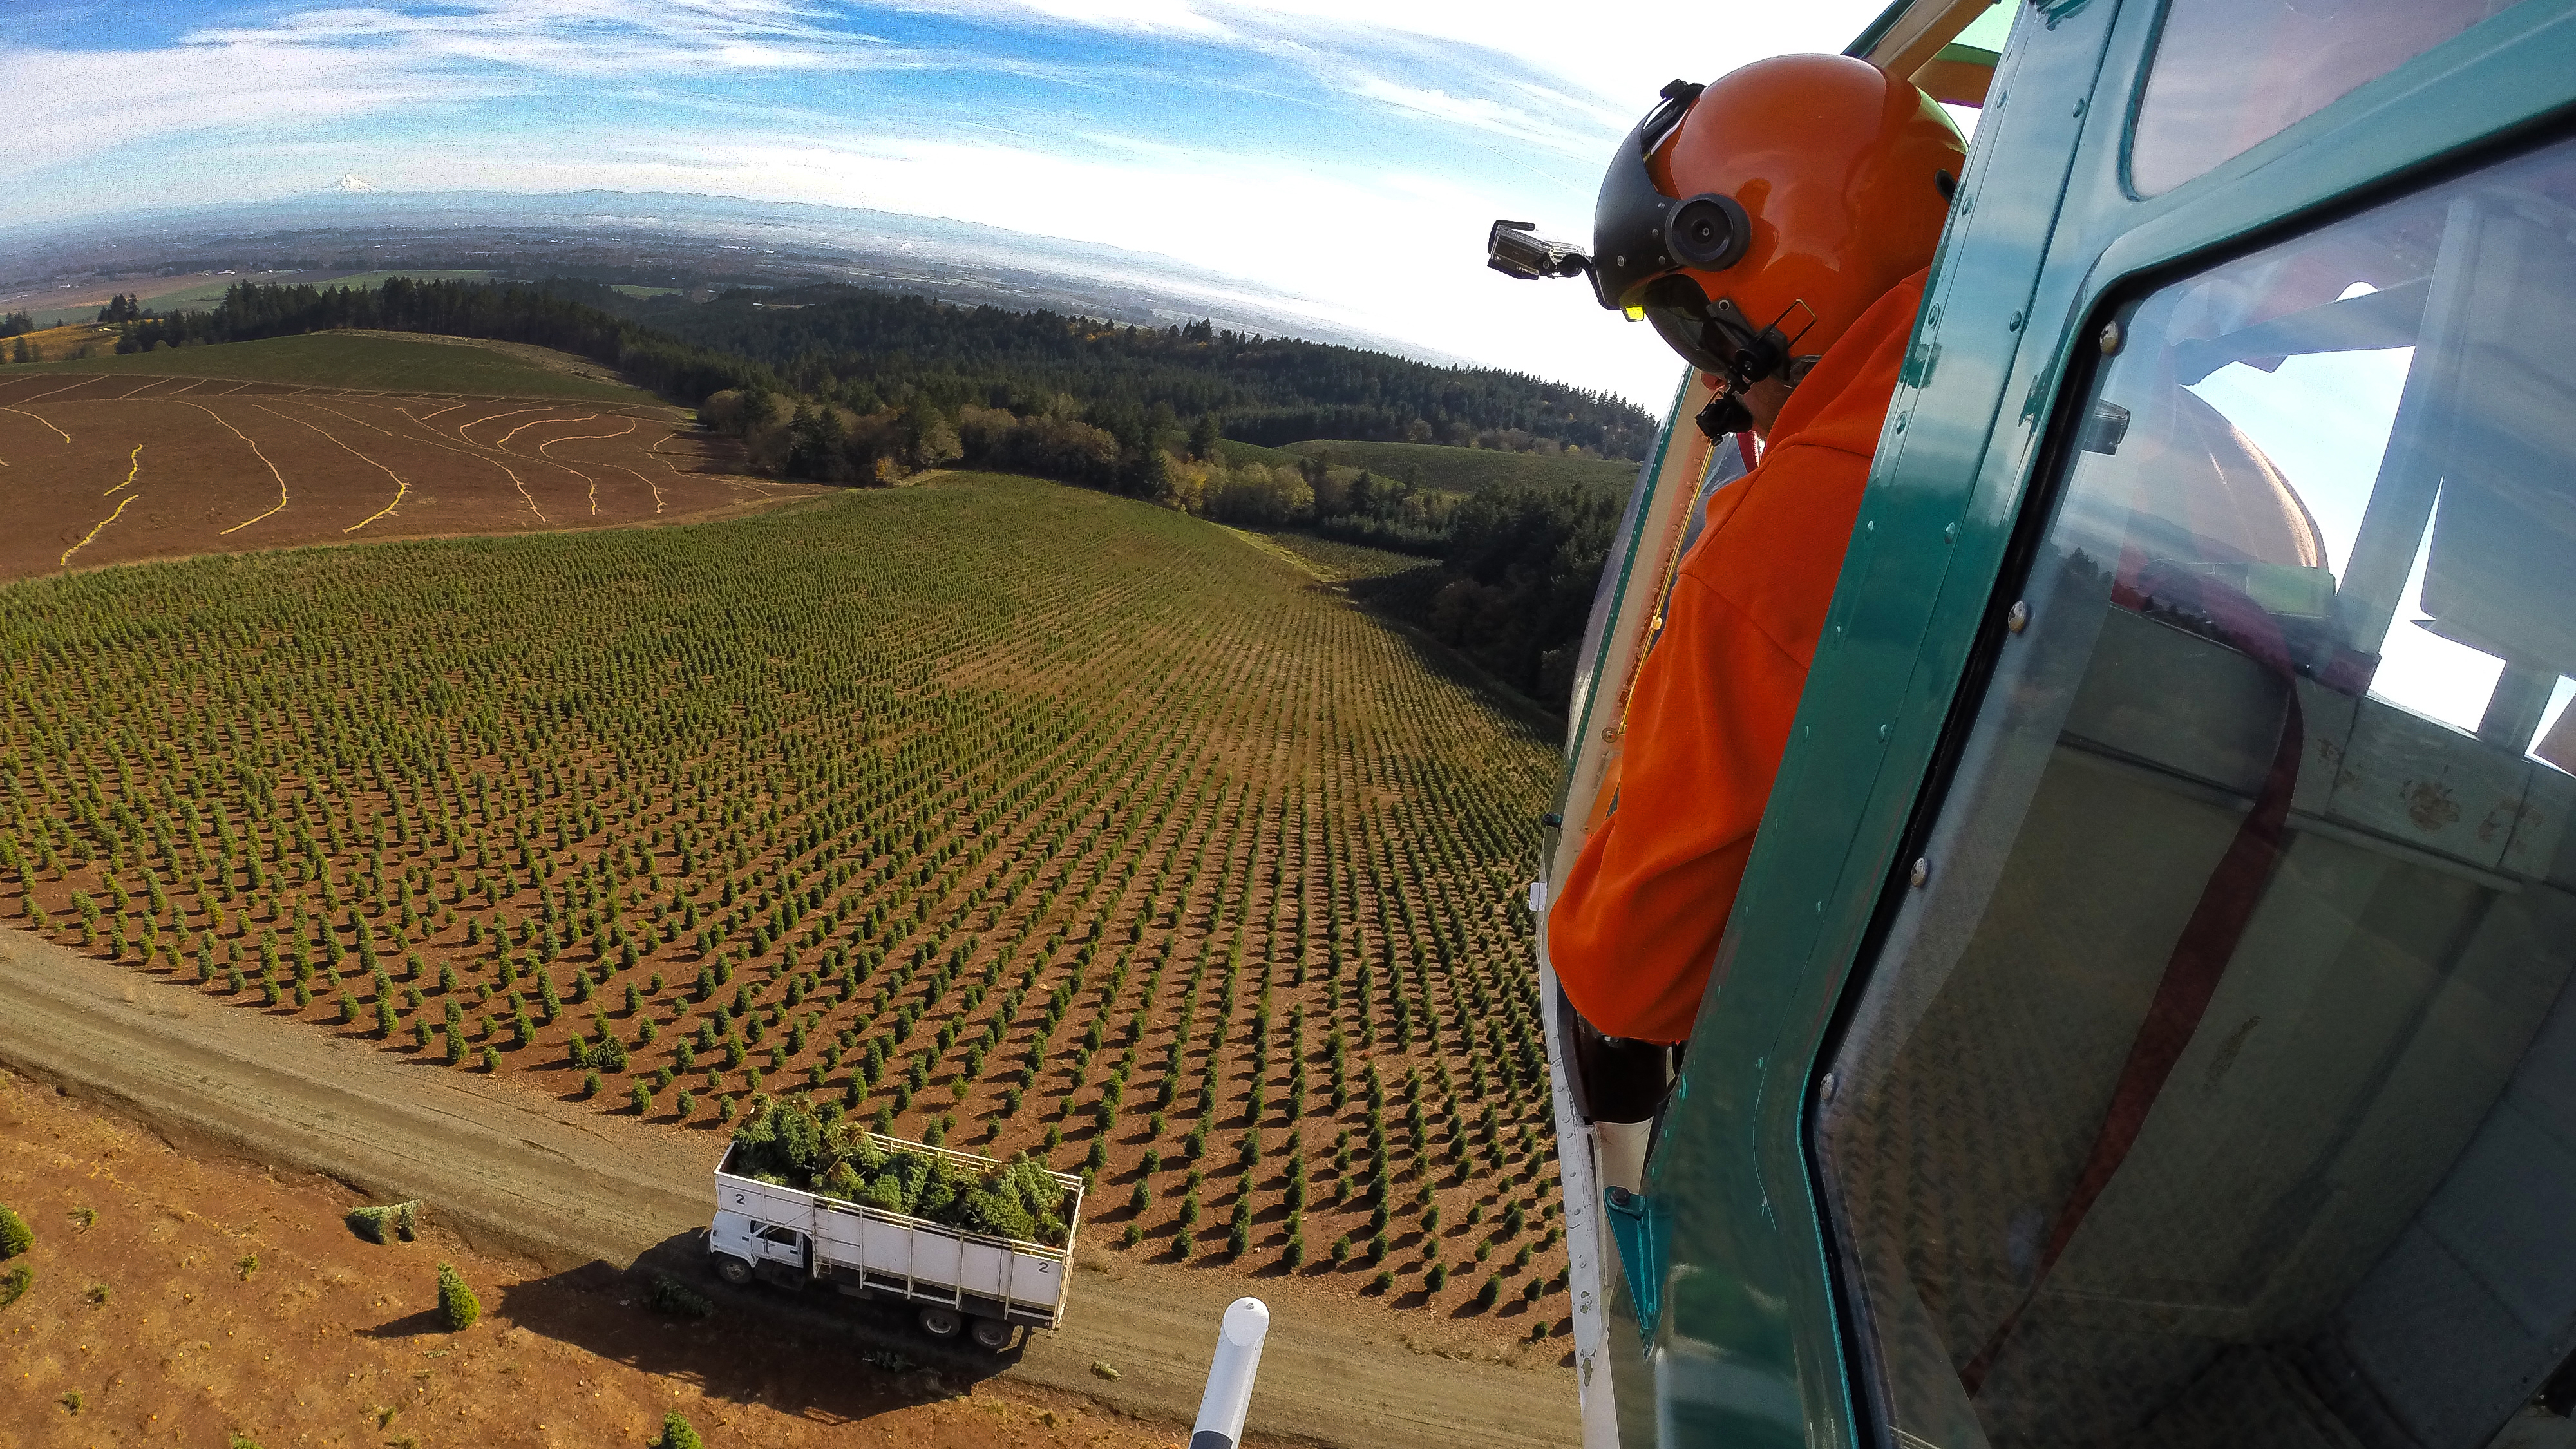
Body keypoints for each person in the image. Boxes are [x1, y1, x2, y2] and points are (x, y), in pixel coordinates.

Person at [1544, 55, 1967, 1045]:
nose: (1705, 368)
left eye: (1688, 319)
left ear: (1788, 288)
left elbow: (1629, 972)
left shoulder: (1798, 532)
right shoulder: (2207, 463)